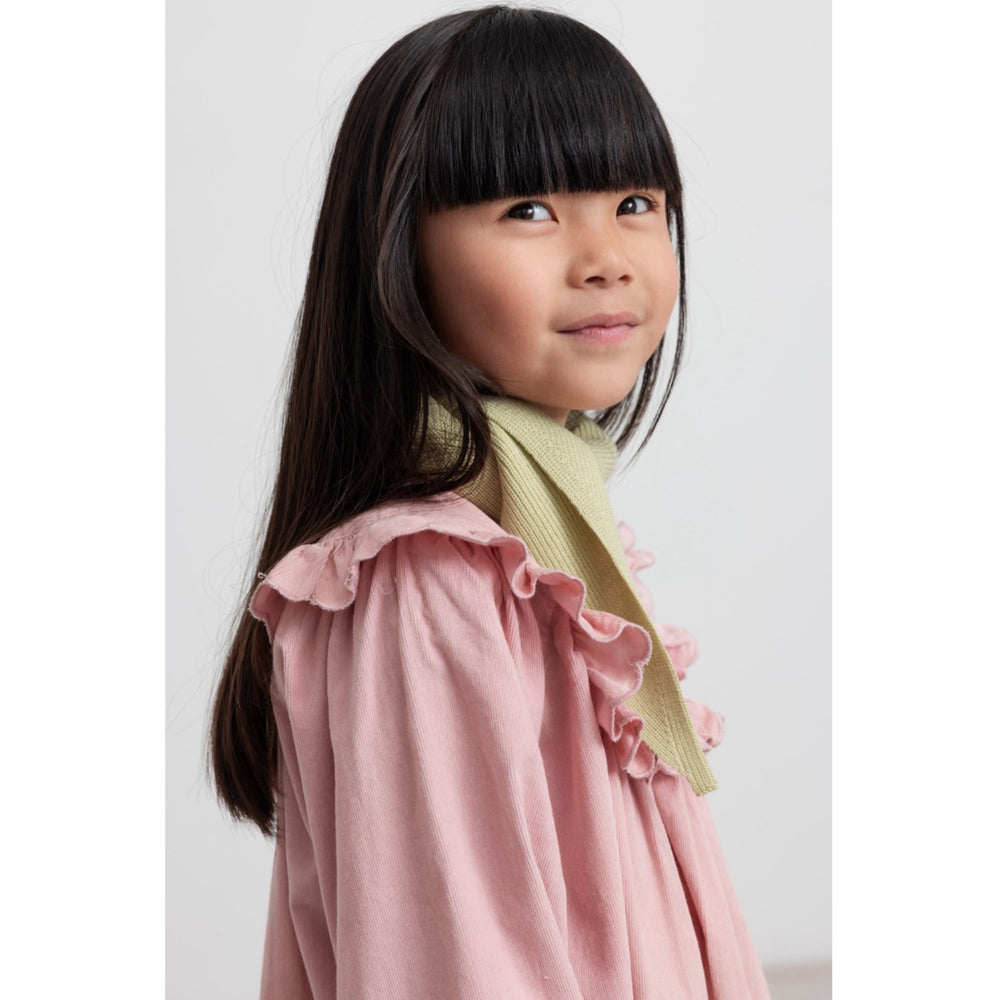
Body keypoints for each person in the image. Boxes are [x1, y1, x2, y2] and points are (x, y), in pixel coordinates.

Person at [210, 5, 771, 997]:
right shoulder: (427, 576)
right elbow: (457, 963)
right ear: (399, 252)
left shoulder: (540, 532)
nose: (606, 255)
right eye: (529, 210)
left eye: (635, 201)